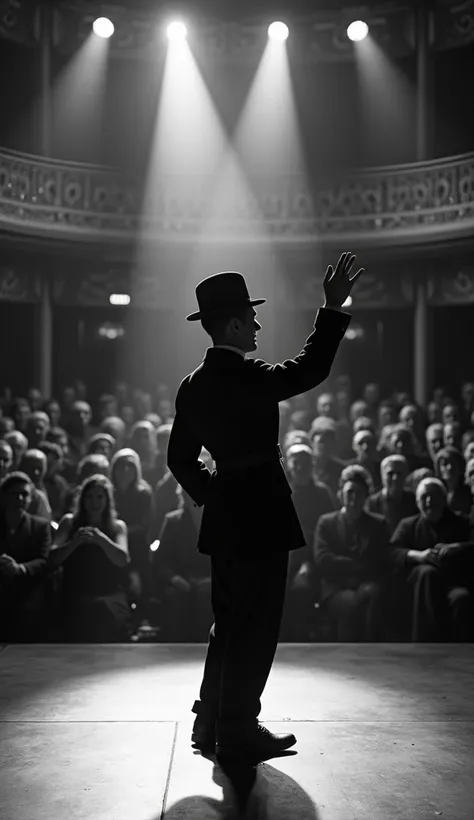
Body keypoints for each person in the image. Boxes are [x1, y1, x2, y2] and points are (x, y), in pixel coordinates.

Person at [167, 252, 363, 763]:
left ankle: (208, 720)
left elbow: (179, 459)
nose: (257, 323)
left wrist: (217, 492)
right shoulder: (249, 376)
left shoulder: (191, 386)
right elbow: (311, 367)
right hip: (263, 515)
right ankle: (238, 728)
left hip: (225, 518)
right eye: (250, 316)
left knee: (227, 623)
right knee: (257, 628)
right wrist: (333, 308)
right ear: (231, 323)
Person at [49, 475, 132, 642]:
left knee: (102, 611)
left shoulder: (117, 527)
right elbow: (53, 557)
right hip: (76, 592)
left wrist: (101, 539)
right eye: (90, 497)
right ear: (82, 499)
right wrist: (74, 543)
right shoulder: (69, 522)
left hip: (109, 592)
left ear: (107, 500)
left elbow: (122, 559)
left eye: (100, 497)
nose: (95, 502)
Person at [0, 472, 52, 641]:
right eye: (15, 494)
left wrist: (20, 568)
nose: (20, 498)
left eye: (25, 494)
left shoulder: (40, 527)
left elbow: (44, 560)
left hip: (26, 596)